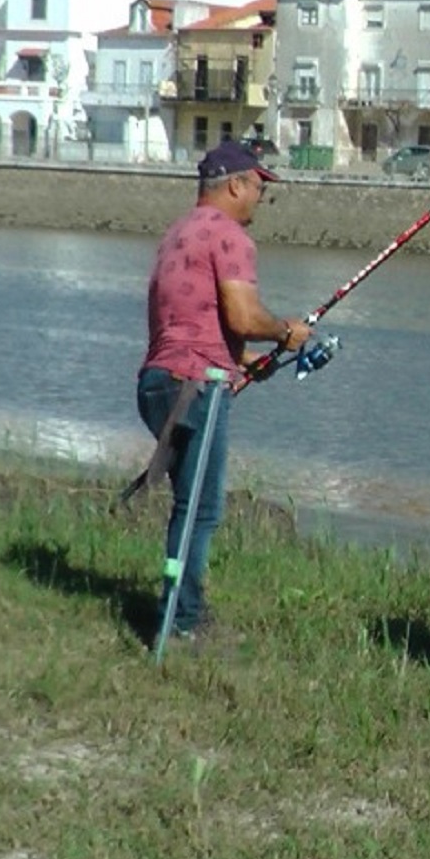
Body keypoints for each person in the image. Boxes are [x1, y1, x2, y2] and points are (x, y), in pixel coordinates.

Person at [137, 140, 310, 643]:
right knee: (201, 509)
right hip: (198, 386)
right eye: (258, 186)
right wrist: (285, 333)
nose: (260, 197)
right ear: (235, 184)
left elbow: (190, 325)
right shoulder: (229, 236)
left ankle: (181, 610)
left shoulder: (177, 234)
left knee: (188, 506)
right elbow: (243, 317)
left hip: (159, 382)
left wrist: (246, 364)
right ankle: (181, 623)